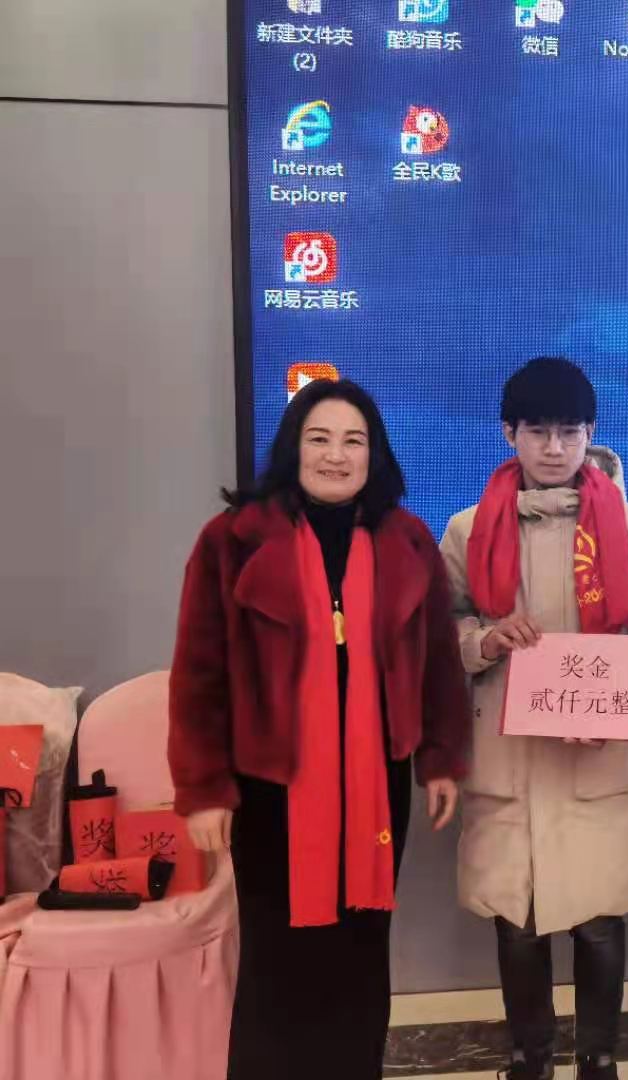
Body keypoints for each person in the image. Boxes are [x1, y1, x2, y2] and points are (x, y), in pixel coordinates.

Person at [168, 378, 471, 1080]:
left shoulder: (407, 540)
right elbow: (198, 673)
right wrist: (204, 789)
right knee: (277, 958)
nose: (336, 455)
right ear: (293, 448)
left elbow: (437, 663)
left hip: (375, 785)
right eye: (320, 439)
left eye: (353, 441)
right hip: (269, 787)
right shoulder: (232, 540)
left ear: (374, 455)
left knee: (360, 954)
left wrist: (440, 759)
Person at [440, 357, 628, 1080]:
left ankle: (599, 1060)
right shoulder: (466, 530)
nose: (554, 447)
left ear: (590, 433)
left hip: (597, 753)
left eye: (570, 431)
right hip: (507, 760)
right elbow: (443, 629)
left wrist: (619, 694)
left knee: (600, 922)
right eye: (538, 431)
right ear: (508, 433)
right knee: (517, 923)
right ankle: (529, 1059)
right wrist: (485, 641)